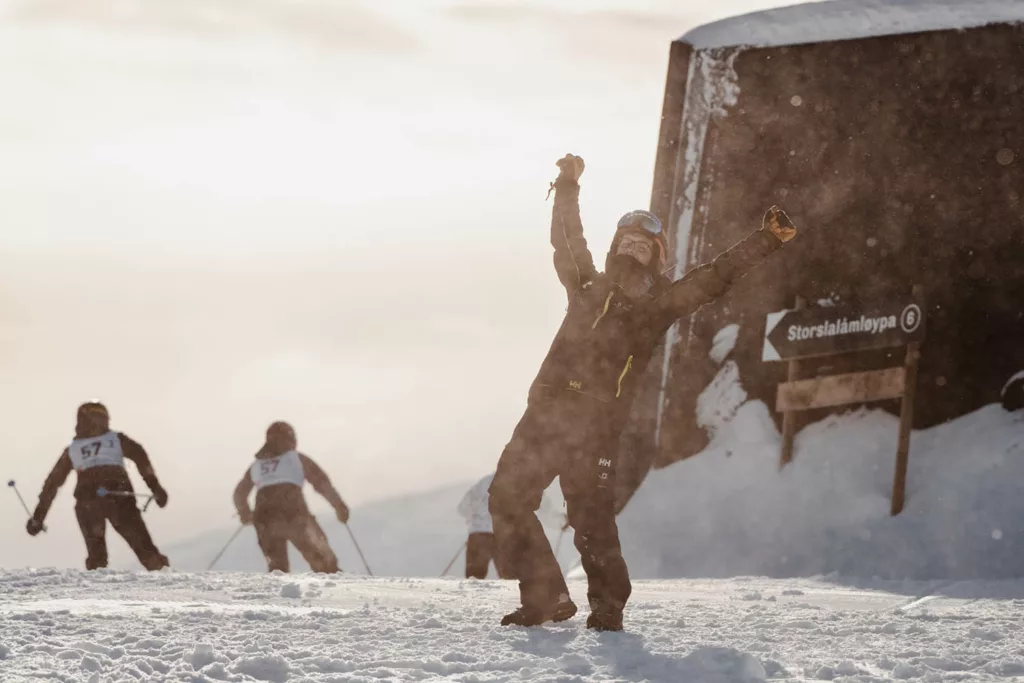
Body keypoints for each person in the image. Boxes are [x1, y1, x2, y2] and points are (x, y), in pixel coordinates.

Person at [488, 153, 797, 631]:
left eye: (643, 246)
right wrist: (567, 185)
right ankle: (545, 597)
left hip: (596, 424)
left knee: (591, 519)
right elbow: (567, 237)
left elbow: (715, 276)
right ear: (615, 248)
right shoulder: (586, 283)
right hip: (548, 412)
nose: (633, 250)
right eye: (626, 242)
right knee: (507, 497)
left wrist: (765, 241)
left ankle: (608, 606)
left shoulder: (659, 304)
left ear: (658, 258)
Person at [25, 401, 170, 570]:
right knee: (147, 552)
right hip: (119, 497)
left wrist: (38, 517)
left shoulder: (73, 449)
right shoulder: (116, 439)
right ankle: (170, 585)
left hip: (87, 501)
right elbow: (141, 457)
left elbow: (52, 484)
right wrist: (155, 488)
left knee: (97, 558)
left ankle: (96, 590)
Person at [233, 421, 350, 574]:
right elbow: (321, 483)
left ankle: (279, 595)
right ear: (292, 438)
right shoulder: (296, 459)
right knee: (324, 562)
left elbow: (239, 494)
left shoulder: (256, 466)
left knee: (277, 568)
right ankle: (336, 592)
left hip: (264, 519)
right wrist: (339, 506)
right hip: (295, 514)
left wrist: (245, 514)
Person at [457, 473, 515, 579]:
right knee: (510, 579)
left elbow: (463, 509)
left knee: (474, 579)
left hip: (479, 534)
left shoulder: (483, 483)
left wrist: (476, 517)